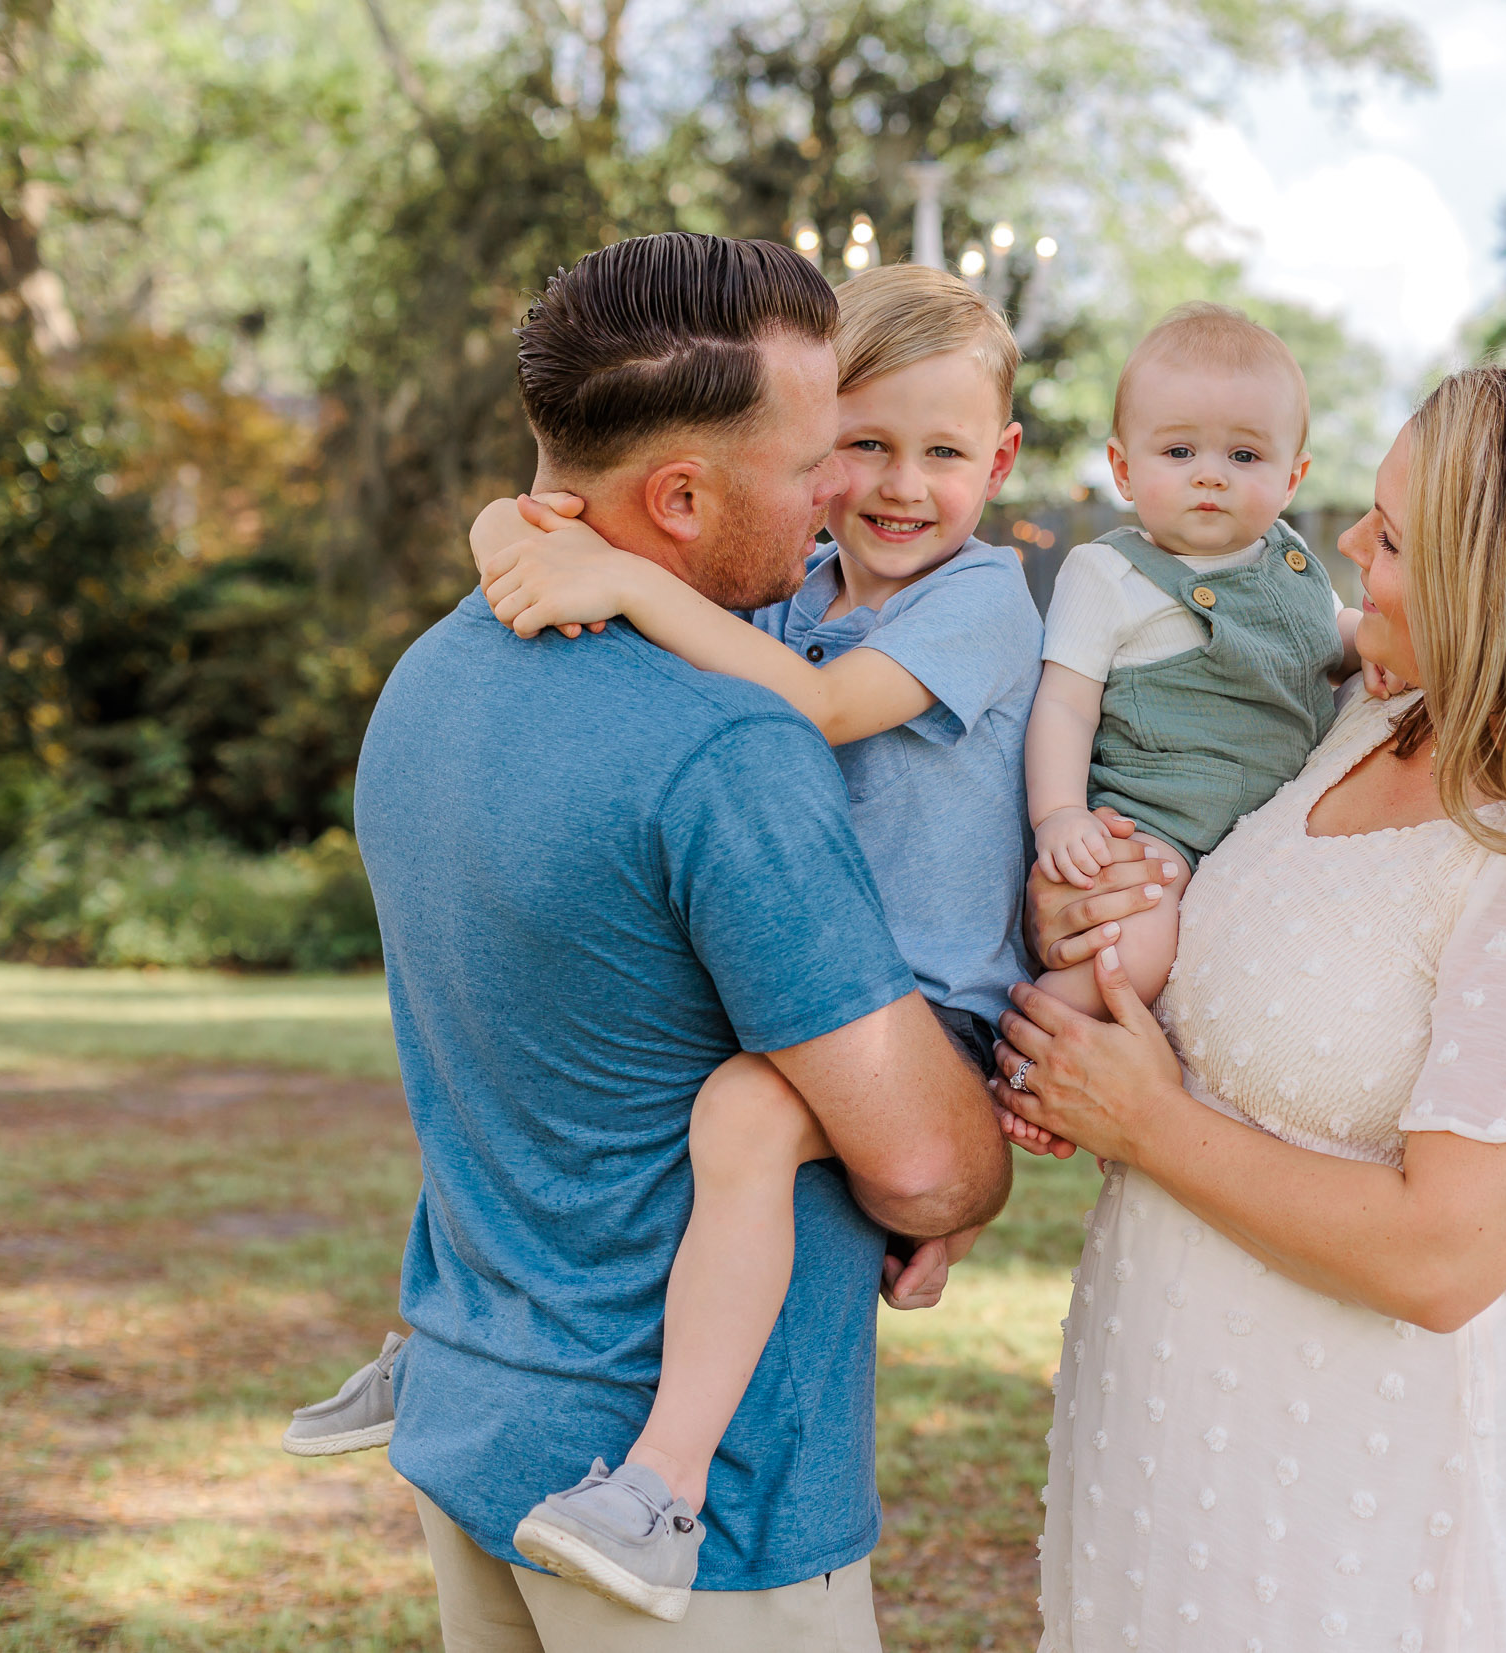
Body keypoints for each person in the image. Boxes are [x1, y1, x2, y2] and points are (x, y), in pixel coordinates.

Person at [993, 360, 1506, 1650]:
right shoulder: (1365, 719)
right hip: (1168, 1405)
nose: (1344, 541)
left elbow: (1442, 1256)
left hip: (1366, 1474)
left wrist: (1145, 1121)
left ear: (1500, 592)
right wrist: (1089, 912)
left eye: (1395, 537)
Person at [345, 232, 1012, 1649]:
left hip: (477, 1425)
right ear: (683, 495)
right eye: (821, 454)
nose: (850, 489)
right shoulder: (729, 745)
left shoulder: (431, 678)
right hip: (687, 1526)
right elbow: (928, 1164)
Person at [1022, 303, 1361, 1029]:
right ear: (1122, 467)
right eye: (1179, 453)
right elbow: (1064, 705)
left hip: (1271, 832)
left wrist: (1382, 651)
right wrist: (1058, 814)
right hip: (1156, 827)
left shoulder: (1293, 563)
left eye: (1243, 456)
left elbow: (1332, 636)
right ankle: (1032, 1041)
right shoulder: (1107, 573)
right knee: (1133, 949)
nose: (1211, 476)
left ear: (1293, 476)